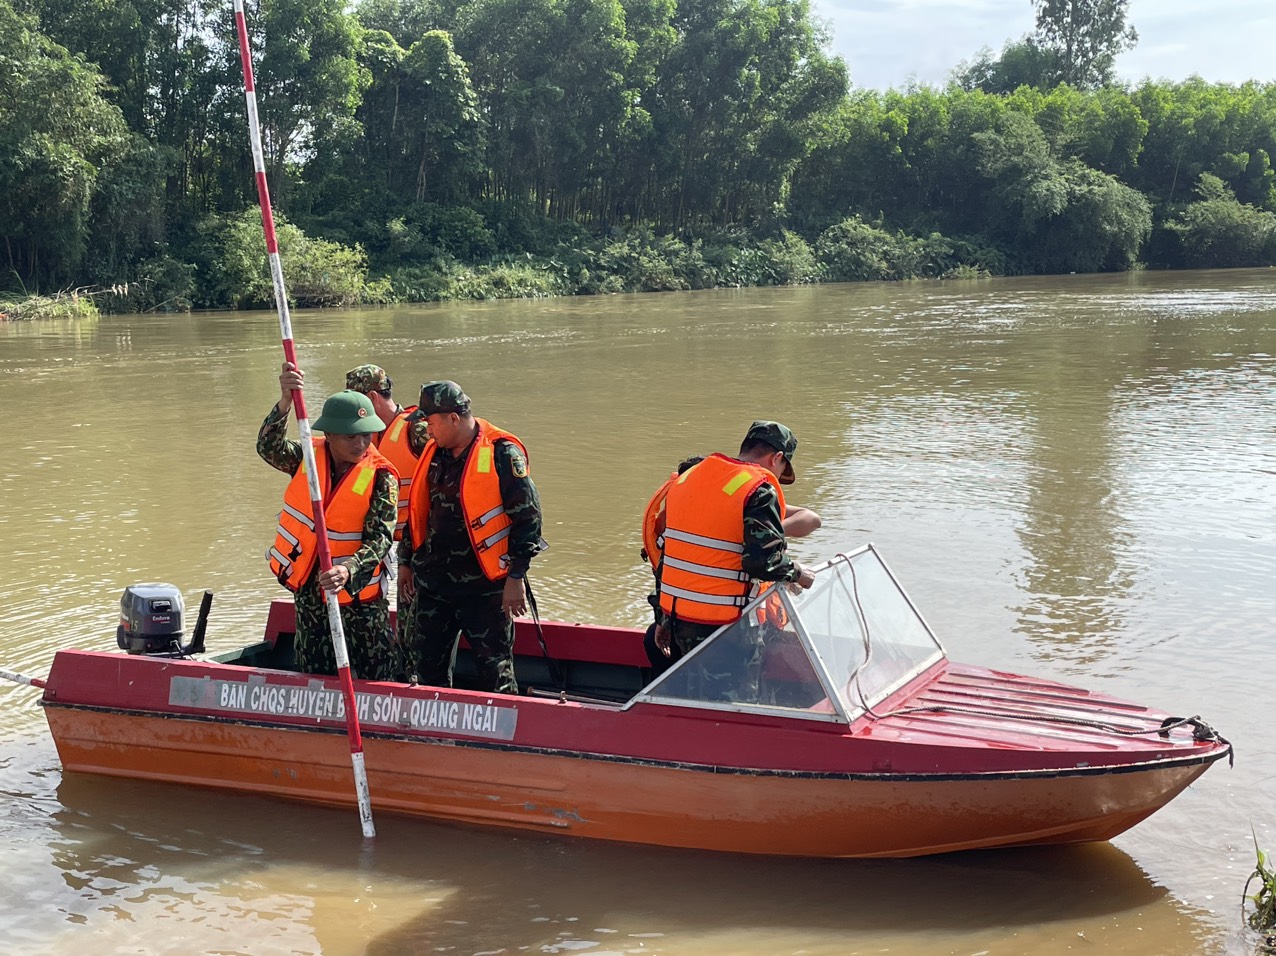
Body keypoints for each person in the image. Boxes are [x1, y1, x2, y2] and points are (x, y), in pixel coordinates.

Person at [398, 381, 544, 694]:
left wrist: (516, 577)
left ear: (453, 418)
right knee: (426, 671)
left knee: (496, 672)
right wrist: (405, 561)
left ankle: (501, 739)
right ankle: (431, 735)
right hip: (434, 584)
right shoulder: (433, 452)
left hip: (486, 589)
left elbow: (528, 519)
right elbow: (419, 511)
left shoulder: (502, 454)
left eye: (432, 421)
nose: (427, 428)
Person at [259, 362, 399, 680]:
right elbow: (268, 447)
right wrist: (285, 402)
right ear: (330, 433)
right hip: (311, 586)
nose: (361, 444)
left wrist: (347, 570)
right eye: (351, 437)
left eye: (367, 435)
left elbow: (380, 538)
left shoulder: (381, 476)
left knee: (375, 670)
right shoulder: (308, 455)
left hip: (357, 593)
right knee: (314, 668)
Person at [641, 444, 822, 676]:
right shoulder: (743, 497)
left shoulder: (712, 504)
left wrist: (763, 531)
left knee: (667, 656)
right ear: (777, 459)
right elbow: (764, 563)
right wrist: (796, 572)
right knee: (732, 696)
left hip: (682, 621)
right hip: (724, 629)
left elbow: (666, 572)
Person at [344, 364, 428, 678]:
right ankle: (402, 678)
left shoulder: (415, 428)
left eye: (357, 400)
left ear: (372, 397)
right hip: (391, 545)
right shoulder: (367, 436)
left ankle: (415, 686)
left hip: (422, 543)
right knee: (403, 622)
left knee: (415, 624)